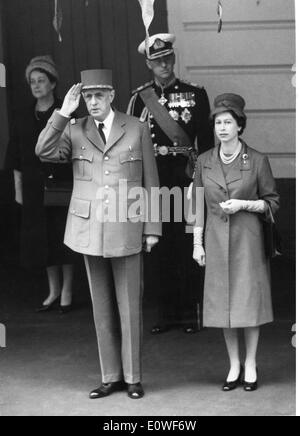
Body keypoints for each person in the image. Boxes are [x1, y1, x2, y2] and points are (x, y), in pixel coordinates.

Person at [36, 69, 162, 399]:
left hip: (128, 227)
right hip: (90, 230)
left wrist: (153, 229)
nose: (92, 102)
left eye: (98, 96)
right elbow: (43, 151)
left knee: (129, 307)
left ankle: (133, 377)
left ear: (111, 96)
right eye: (87, 97)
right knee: (101, 308)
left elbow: (151, 180)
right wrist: (64, 111)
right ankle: (111, 376)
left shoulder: (136, 128)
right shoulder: (74, 129)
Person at [192, 93, 280, 392]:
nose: (223, 128)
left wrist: (245, 204)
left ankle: (251, 363)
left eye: (228, 122)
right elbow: (197, 207)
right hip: (216, 242)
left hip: (248, 242)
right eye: (218, 123)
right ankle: (233, 365)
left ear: (240, 126)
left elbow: (272, 202)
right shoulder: (203, 161)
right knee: (224, 306)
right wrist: (197, 244)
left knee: (248, 304)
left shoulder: (256, 161)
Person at [127, 33, 213, 335]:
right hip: (153, 181)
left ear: (173, 59)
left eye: (167, 58)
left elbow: (207, 143)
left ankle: (190, 313)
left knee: (188, 243)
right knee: (159, 246)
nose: (163, 64)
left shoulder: (195, 94)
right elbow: (132, 146)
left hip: (186, 177)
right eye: (156, 60)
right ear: (148, 64)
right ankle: (166, 314)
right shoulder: (140, 98)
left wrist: (204, 178)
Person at [5, 55, 76, 314]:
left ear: (53, 83)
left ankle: (68, 290)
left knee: (61, 237)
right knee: (42, 240)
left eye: (41, 80)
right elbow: (15, 155)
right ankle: (53, 290)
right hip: (34, 188)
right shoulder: (23, 115)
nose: (36, 86)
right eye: (32, 82)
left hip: (61, 184)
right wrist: (18, 188)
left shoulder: (66, 112)